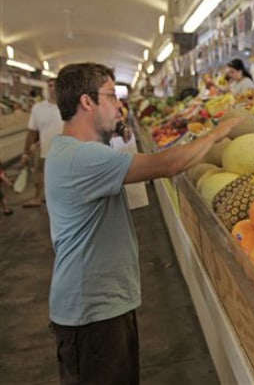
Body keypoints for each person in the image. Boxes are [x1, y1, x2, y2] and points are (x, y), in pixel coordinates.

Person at [45, 62, 240, 384]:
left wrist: (117, 135)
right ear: (86, 102)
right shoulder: (82, 159)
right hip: (92, 311)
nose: (119, 105)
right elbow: (167, 164)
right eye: (111, 96)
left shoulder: (74, 150)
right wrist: (218, 132)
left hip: (99, 304)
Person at [21, 77, 64, 207]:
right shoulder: (38, 108)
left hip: (66, 150)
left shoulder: (68, 106)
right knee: (40, 174)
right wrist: (26, 153)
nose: (52, 89)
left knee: (64, 177)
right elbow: (32, 131)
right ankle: (38, 197)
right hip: (46, 149)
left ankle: (62, 199)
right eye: (50, 86)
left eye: (55, 85)